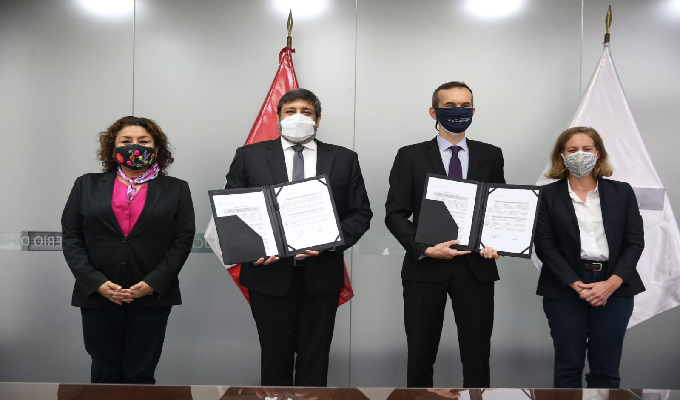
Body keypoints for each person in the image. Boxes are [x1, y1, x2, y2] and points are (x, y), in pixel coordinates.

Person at [224, 88, 372, 386]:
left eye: (306, 111)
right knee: (274, 360)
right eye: (290, 111)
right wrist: (252, 248)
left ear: (318, 119)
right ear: (277, 118)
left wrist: (330, 241)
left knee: (314, 361)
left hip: (322, 275)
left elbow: (360, 213)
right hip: (268, 275)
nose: (298, 117)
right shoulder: (249, 156)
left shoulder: (344, 158)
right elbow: (233, 210)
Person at [385, 81, 504, 388]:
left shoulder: (491, 155)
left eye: (465, 105)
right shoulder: (409, 156)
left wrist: (498, 241)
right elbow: (395, 214)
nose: (458, 111)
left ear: (473, 111)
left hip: (476, 268)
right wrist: (424, 248)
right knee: (420, 355)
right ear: (433, 112)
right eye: (449, 106)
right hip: (425, 268)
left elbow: (496, 210)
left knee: (478, 357)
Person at [61, 116, 195, 384]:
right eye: (126, 141)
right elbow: (72, 237)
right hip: (99, 294)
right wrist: (95, 282)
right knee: (104, 372)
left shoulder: (176, 189)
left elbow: (182, 240)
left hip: (151, 295)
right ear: (113, 148)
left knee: (140, 374)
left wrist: (153, 283)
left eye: (144, 141)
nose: (135, 146)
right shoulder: (86, 184)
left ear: (157, 148)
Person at [535, 126, 645, 388]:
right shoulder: (546, 195)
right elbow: (545, 246)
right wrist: (576, 285)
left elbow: (634, 242)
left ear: (598, 154)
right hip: (565, 287)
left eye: (586, 149)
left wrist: (611, 284)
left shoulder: (622, 192)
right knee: (567, 367)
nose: (580, 154)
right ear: (562, 155)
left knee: (606, 370)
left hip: (614, 286)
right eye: (572, 150)